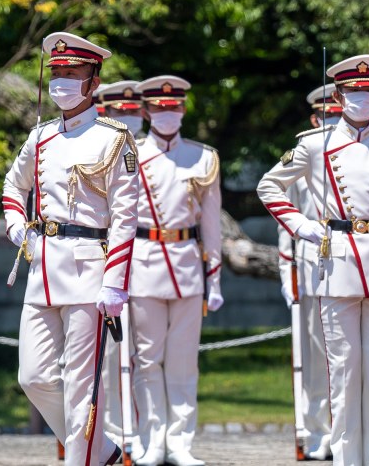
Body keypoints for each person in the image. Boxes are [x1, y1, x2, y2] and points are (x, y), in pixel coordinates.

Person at [259, 54, 369, 465]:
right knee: (343, 374)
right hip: (337, 263)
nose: (361, 98)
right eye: (353, 91)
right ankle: (346, 457)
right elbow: (269, 186)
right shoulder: (314, 144)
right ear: (338, 95)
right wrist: (302, 226)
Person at [2, 32, 139, 466]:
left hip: (89, 271)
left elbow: (124, 218)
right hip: (42, 268)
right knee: (34, 377)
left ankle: (84, 458)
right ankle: (103, 451)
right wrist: (15, 225)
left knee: (84, 388)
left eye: (72, 74)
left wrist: (115, 284)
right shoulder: (40, 136)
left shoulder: (114, 139)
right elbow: (13, 185)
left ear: (93, 81)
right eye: (57, 74)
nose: (61, 82)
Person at [128, 75, 222, 466]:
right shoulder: (128, 153)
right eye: (160, 108)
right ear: (147, 111)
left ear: (183, 110)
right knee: (146, 358)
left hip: (186, 262)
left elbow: (212, 222)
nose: (168, 114)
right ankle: (151, 440)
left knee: (184, 360)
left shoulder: (203, 157)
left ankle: (180, 442)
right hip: (143, 259)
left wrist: (214, 277)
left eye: (174, 107)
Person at [275, 84, 339, 460]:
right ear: (314, 119)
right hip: (312, 262)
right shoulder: (301, 157)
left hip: (355, 260)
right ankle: (316, 433)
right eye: (324, 115)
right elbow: (286, 223)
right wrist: (288, 275)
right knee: (316, 358)